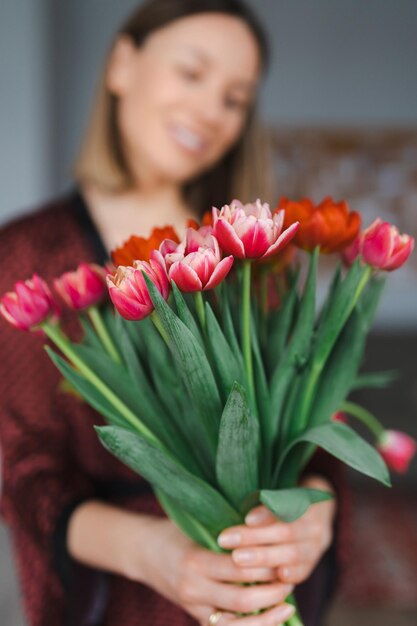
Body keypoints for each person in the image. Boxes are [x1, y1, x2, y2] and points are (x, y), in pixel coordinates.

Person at [0, 1, 347, 625]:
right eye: (192, 73)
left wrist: (312, 519)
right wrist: (151, 551)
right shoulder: (25, 254)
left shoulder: (253, 254)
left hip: (263, 591)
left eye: (235, 98)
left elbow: (313, 434)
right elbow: (22, 473)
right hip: (118, 597)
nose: (211, 111)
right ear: (122, 64)